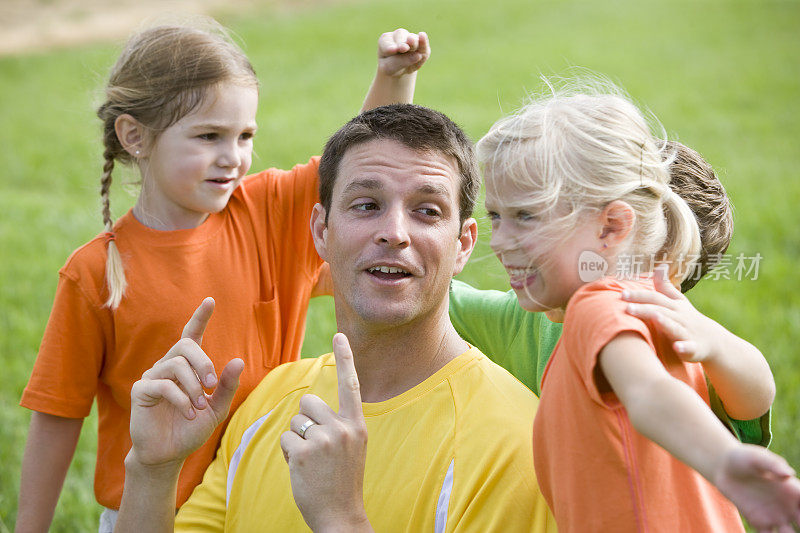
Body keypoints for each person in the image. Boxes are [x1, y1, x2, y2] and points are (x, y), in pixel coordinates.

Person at [16, 19, 430, 532]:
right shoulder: (94, 273)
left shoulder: (267, 212)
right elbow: (58, 414)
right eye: (209, 136)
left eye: (245, 136)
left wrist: (393, 76)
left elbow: (357, 163)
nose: (232, 157)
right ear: (135, 136)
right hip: (151, 513)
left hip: (266, 498)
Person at [115, 104, 555, 532]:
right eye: (366, 205)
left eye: (427, 210)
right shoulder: (269, 402)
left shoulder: (514, 448)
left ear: (462, 245)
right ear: (321, 231)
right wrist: (153, 470)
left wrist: (341, 519)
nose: (395, 233)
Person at [478, 79, 800, 532]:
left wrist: (726, 463)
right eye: (495, 215)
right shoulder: (641, 310)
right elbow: (756, 396)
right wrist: (717, 344)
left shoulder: (599, 303)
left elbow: (650, 394)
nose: (498, 241)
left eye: (525, 215)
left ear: (611, 227)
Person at [448, 139, 771, 445]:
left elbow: (753, 401)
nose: (502, 241)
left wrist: (715, 342)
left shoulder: (680, 346)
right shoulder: (524, 324)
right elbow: (416, 291)